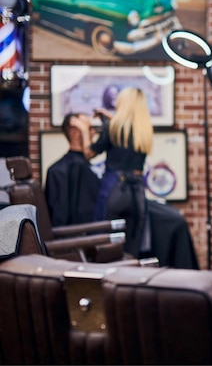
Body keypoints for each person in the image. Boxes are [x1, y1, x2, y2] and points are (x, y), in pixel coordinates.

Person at [72, 87, 153, 258]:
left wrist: (85, 129)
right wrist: (108, 117)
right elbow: (124, 127)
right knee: (133, 247)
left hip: (115, 189)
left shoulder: (113, 128)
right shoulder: (144, 130)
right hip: (137, 193)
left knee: (104, 240)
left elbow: (88, 153)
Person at [45, 112, 101, 226]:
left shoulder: (56, 169)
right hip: (80, 238)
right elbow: (58, 217)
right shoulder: (60, 171)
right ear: (75, 133)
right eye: (88, 128)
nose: (94, 132)